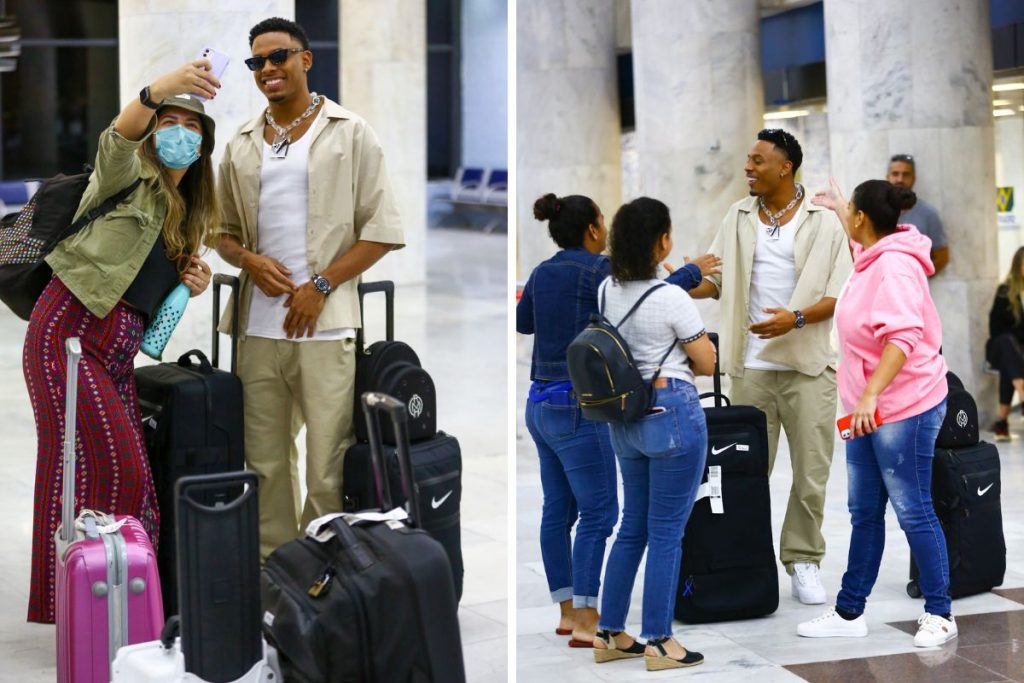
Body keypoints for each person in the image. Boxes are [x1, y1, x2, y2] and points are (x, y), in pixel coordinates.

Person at [23, 60, 219, 623]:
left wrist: (189, 284)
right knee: (117, 465)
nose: (178, 131)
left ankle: (103, 599)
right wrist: (160, 89)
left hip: (116, 349)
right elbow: (119, 133)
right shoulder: (126, 174)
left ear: (205, 144)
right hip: (69, 334)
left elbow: (145, 297)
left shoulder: (186, 216)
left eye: (192, 125)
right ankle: (88, 599)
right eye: (169, 121)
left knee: (87, 467)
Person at [213, 17, 404, 561]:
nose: (268, 69)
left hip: (326, 327)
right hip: (257, 328)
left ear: (305, 59)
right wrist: (248, 260)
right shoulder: (243, 143)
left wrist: (320, 284)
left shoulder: (350, 131)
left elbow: (382, 230)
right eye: (257, 62)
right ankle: (275, 572)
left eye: (279, 57)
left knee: (327, 463)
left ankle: (319, 574)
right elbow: (221, 233)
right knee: (263, 463)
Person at [686, 129, 852, 605]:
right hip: (750, 367)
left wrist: (795, 319)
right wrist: (683, 281)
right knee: (744, 472)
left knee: (811, 472)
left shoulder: (823, 222)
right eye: (748, 160)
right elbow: (717, 281)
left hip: (808, 366)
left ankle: (803, 559)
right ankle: (746, 557)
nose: (748, 168)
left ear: (786, 167)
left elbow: (839, 294)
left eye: (758, 161)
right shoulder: (737, 216)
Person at [799, 178, 954, 647]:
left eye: (852, 211)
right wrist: (839, 205)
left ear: (864, 218)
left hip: (902, 407)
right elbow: (863, 240)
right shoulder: (872, 255)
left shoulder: (894, 269)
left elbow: (902, 338)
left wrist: (871, 396)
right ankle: (850, 611)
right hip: (867, 411)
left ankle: (940, 613)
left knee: (913, 509)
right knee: (864, 511)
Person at [593, 197, 716, 672]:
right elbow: (705, 362)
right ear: (662, 240)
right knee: (667, 532)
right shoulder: (671, 298)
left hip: (624, 420)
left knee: (632, 527)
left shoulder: (607, 290)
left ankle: (608, 632)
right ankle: (660, 642)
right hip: (672, 417)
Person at [515, 193, 618, 647]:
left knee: (557, 510)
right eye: (603, 220)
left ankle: (565, 612)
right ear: (593, 229)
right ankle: (586, 620)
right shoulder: (600, 269)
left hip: (539, 403)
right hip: (578, 405)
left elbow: (524, 323)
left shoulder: (541, 271)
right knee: (599, 512)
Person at [887, 154, 949, 276]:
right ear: (887, 177)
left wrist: (915, 278)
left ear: (914, 178)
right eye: (895, 174)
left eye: (906, 174)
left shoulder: (928, 214)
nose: (900, 179)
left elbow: (942, 255)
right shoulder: (874, 212)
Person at [986, 246, 1024, 441]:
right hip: (998, 347)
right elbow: (996, 329)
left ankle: (1001, 421)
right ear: (1018, 265)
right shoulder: (1005, 291)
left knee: (1012, 367)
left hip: (1017, 357)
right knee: (1008, 344)